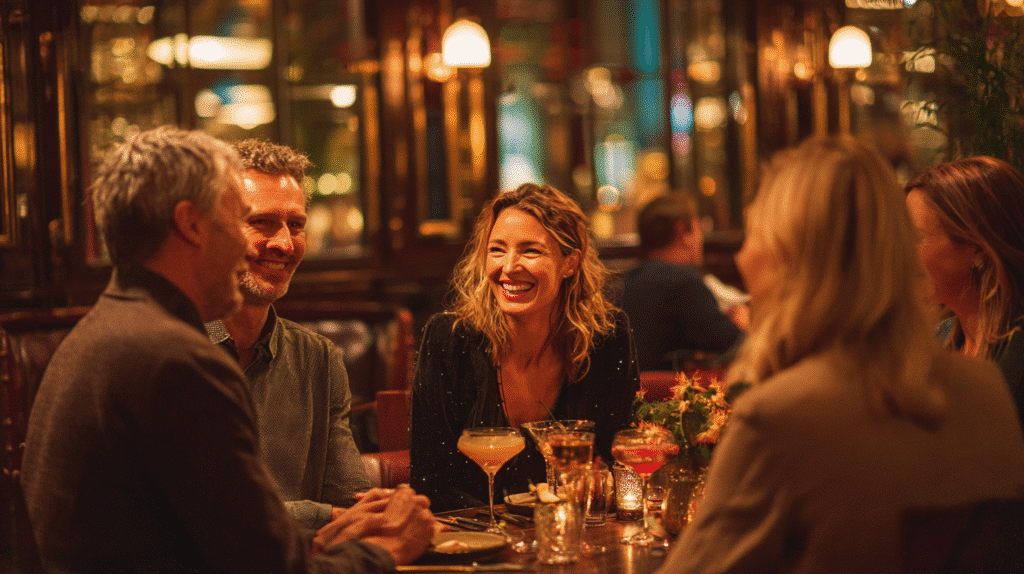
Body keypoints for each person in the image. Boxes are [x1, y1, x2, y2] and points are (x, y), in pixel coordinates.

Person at [21, 126, 433, 574]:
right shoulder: (172, 358)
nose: (251, 244)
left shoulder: (105, 330)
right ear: (191, 224)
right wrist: (388, 552)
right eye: (239, 220)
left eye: (295, 224)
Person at [657, 136, 1024, 573]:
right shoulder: (985, 387)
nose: (741, 256)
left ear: (791, 256)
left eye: (754, 231)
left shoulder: (779, 416)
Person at [409, 183, 640, 512]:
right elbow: (431, 485)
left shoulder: (606, 336)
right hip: (477, 545)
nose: (508, 267)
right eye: (497, 250)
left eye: (530, 251)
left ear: (570, 263)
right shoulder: (450, 338)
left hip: (570, 540)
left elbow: (623, 460)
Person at [205, 139, 371, 529]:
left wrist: (384, 513)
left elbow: (351, 500)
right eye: (260, 222)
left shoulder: (318, 359)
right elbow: (210, 513)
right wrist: (325, 515)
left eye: (295, 225)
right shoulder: (171, 352)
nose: (283, 243)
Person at [904, 156, 1024, 423]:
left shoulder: (1018, 358)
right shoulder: (937, 339)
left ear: (978, 247)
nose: (901, 253)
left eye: (915, 239)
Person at [620, 192, 745, 371]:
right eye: (698, 228)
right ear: (682, 232)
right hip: (661, 396)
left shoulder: (628, 281)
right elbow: (734, 345)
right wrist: (745, 322)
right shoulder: (684, 284)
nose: (701, 238)